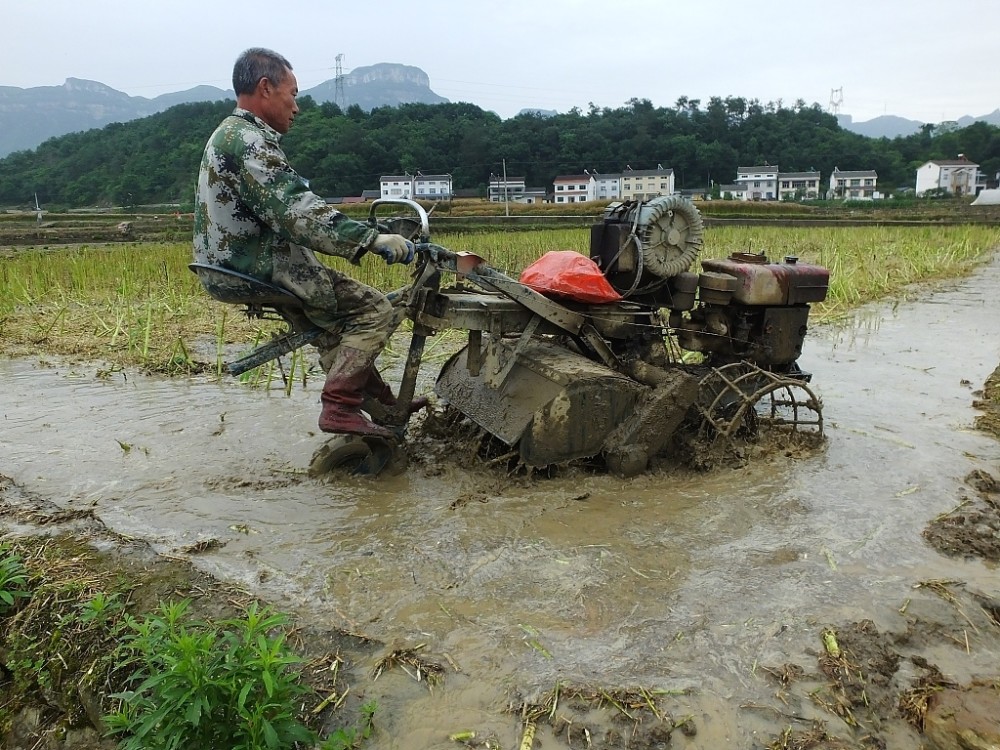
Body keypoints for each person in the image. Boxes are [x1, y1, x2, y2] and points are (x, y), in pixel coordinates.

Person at [193, 48, 424, 439]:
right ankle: (339, 407)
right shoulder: (248, 142)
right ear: (266, 88)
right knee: (374, 310)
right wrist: (370, 239)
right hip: (256, 264)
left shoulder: (231, 135)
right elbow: (298, 211)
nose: (296, 107)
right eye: (293, 94)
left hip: (232, 264)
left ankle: (381, 403)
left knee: (333, 322)